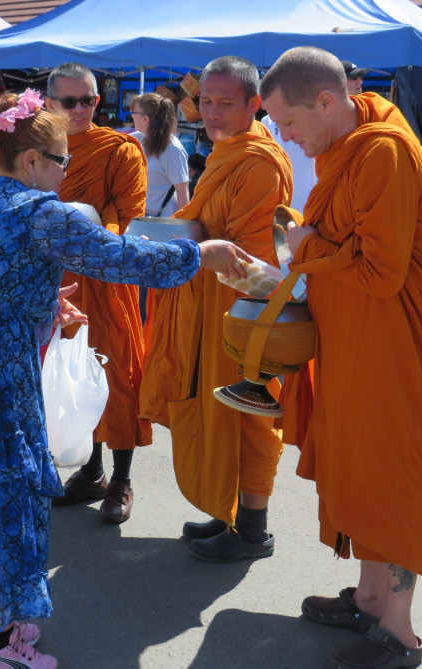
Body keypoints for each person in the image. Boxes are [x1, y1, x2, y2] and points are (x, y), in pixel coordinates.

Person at [0, 88, 250, 669]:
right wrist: (204, 252)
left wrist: (40, 305)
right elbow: (128, 259)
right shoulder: (43, 213)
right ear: (32, 161)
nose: (66, 174)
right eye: (61, 161)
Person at [260, 46, 422, 669]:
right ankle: (368, 596)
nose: (288, 138)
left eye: (292, 124)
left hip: (401, 342)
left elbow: (382, 271)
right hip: (361, 338)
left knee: (398, 473)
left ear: (327, 101)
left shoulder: (381, 149)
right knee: (363, 462)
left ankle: (399, 630)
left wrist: (304, 248)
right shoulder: (348, 140)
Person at [140, 56, 293, 563]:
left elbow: (253, 257)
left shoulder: (259, 163)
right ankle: (226, 511)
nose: (213, 112)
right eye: (206, 101)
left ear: (254, 104)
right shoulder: (227, 153)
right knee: (214, 411)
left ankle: (252, 530)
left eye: (227, 103)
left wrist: (192, 246)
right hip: (211, 302)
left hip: (244, 311)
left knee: (247, 413)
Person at [44, 62, 149, 523]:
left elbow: (132, 219)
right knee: (69, 378)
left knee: (116, 377)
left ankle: (122, 480)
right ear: (49, 103)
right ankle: (91, 472)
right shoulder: (39, 148)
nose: (81, 109)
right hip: (53, 280)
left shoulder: (119, 150)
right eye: (69, 102)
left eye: (88, 100)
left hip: (106, 277)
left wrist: (84, 228)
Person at [129, 92, 190, 217]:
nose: (132, 116)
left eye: (133, 113)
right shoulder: (138, 139)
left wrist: (182, 227)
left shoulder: (172, 148)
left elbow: (182, 191)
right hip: (141, 219)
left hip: (162, 222)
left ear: (146, 119)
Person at [261, 113, 317, 212]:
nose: (285, 137)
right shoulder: (267, 122)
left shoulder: (314, 112)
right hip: (283, 214)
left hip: (314, 210)